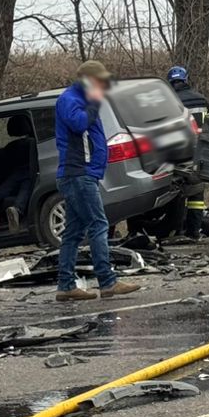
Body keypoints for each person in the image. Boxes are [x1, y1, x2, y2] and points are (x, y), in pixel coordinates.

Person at [53, 60, 141, 302]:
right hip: (78, 173)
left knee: (73, 232)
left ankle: (66, 285)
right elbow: (79, 124)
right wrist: (93, 103)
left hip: (81, 174)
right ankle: (107, 281)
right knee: (98, 224)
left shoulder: (80, 99)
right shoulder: (70, 100)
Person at [167, 65, 209, 238]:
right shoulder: (202, 100)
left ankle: (176, 230)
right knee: (197, 194)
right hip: (201, 150)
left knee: (178, 192)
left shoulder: (171, 101)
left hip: (180, 152)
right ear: (185, 80)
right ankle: (193, 231)